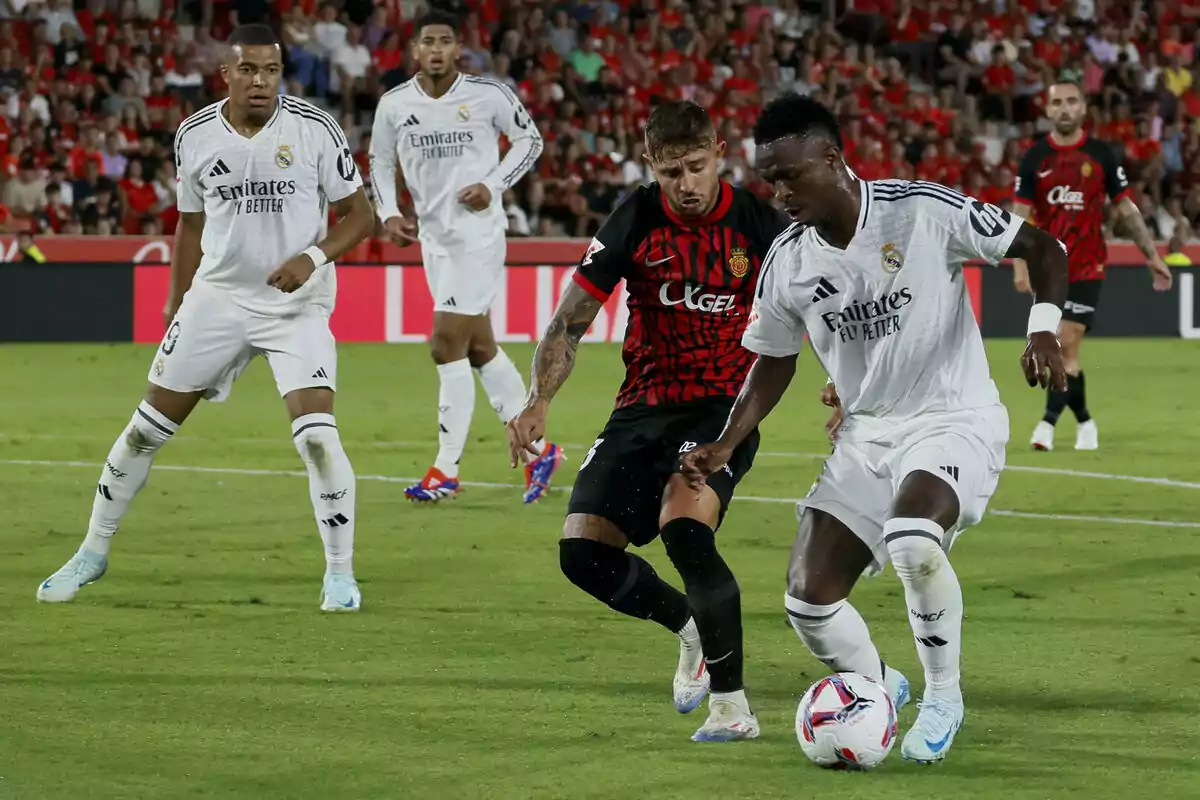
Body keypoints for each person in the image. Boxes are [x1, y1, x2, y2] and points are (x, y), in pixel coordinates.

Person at [678, 94, 1070, 762]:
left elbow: (1041, 244)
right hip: (866, 437)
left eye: (791, 175)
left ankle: (944, 694)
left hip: (954, 418)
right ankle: (878, 687)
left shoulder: (919, 209)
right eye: (770, 180)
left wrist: (1043, 332)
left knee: (914, 539)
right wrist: (726, 441)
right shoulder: (790, 262)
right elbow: (773, 363)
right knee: (808, 602)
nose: (780, 193)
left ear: (831, 157)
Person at [36, 24, 375, 611]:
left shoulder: (316, 129)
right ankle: (91, 552)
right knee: (144, 429)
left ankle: (340, 575)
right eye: (248, 70)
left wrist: (313, 256)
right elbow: (189, 224)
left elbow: (360, 215)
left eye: (271, 70)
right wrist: (176, 300)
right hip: (216, 300)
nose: (261, 81)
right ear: (226, 73)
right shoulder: (194, 136)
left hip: (296, 304)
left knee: (318, 437)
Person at [507, 100, 789, 742]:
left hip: (723, 409)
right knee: (582, 554)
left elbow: (813, 305)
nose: (686, 186)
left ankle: (732, 705)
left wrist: (837, 382)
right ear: (650, 166)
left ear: (720, 151)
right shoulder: (635, 217)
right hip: (642, 407)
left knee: (685, 531)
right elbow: (569, 322)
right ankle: (689, 625)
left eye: (695, 167)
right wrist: (538, 400)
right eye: (671, 173)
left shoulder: (758, 225)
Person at [369, 10, 561, 505]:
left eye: (445, 41)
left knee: (443, 343)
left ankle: (446, 469)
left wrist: (492, 185)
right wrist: (389, 213)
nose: (436, 49)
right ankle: (540, 452)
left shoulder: (488, 95)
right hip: (433, 240)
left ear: (458, 49)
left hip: (477, 236)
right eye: (427, 41)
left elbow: (530, 140)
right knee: (479, 348)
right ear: (414, 50)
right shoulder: (394, 105)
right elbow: (380, 161)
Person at [1012, 80, 1172, 452]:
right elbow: (1019, 213)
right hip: (1046, 268)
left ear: (1083, 107)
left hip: (1087, 266)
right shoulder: (1034, 158)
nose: (1065, 109)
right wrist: (1019, 266)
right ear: (1048, 111)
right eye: (1058, 103)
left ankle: (1047, 426)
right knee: (1064, 354)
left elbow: (1125, 208)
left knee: (1064, 341)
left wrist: (1151, 255)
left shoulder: (1101, 155)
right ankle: (1085, 422)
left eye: (1072, 101)